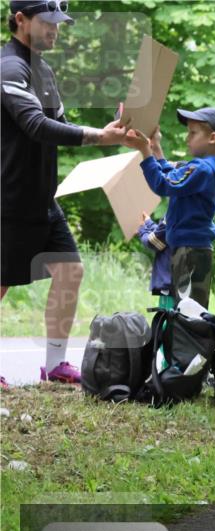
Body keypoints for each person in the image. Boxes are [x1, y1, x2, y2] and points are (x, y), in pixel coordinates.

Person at [1, 0, 129, 385]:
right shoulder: (10, 67)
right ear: (21, 19)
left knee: (70, 270)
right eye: (47, 22)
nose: (55, 29)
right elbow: (35, 125)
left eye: (59, 23)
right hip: (8, 199)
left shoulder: (43, 70)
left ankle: (55, 365)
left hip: (42, 200)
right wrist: (99, 137)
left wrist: (110, 130)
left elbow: (60, 124)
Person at [123, 108, 215, 310]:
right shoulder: (208, 168)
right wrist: (156, 150)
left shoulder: (202, 168)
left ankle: (185, 333)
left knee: (187, 314)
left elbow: (164, 184)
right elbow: (174, 179)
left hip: (189, 251)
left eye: (193, 133)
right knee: (189, 311)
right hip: (193, 249)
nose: (187, 138)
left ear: (213, 138)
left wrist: (145, 151)